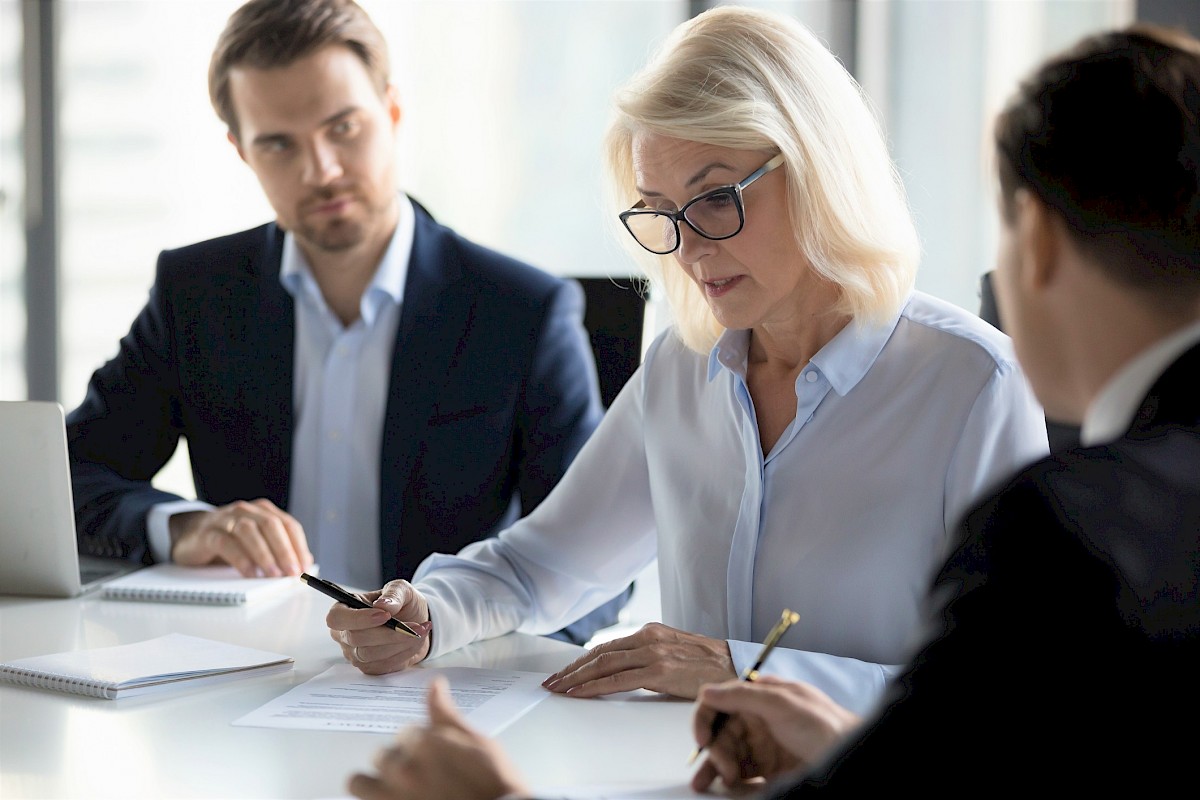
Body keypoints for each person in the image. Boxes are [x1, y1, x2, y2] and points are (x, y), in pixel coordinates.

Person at [344, 20, 1200, 800]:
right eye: (662, 214)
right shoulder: (683, 367)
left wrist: (743, 670)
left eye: (717, 198)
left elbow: (1005, 707)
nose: (689, 249)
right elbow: (541, 566)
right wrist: (427, 614)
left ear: (817, 169)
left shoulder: (970, 382)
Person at [65, 0, 629, 646]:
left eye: (344, 128)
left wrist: (475, 648)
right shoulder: (196, 295)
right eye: (279, 143)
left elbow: (596, 572)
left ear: (391, 111)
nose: (321, 170)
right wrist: (184, 528)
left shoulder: (522, 311)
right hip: (243, 679)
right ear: (241, 151)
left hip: (445, 682)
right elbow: (66, 482)